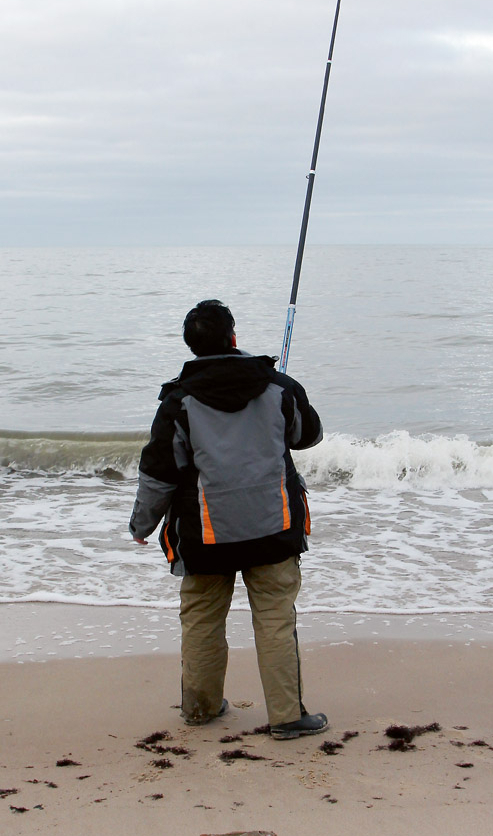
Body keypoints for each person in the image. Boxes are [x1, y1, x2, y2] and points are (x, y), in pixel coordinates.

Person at [129, 299, 328, 740]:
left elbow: (158, 471)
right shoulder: (277, 387)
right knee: (275, 619)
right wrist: (285, 392)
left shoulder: (179, 400)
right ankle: (286, 717)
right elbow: (309, 435)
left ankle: (200, 709)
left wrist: (141, 525)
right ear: (233, 337)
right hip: (273, 528)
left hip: (205, 536)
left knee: (201, 618)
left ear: (192, 346)